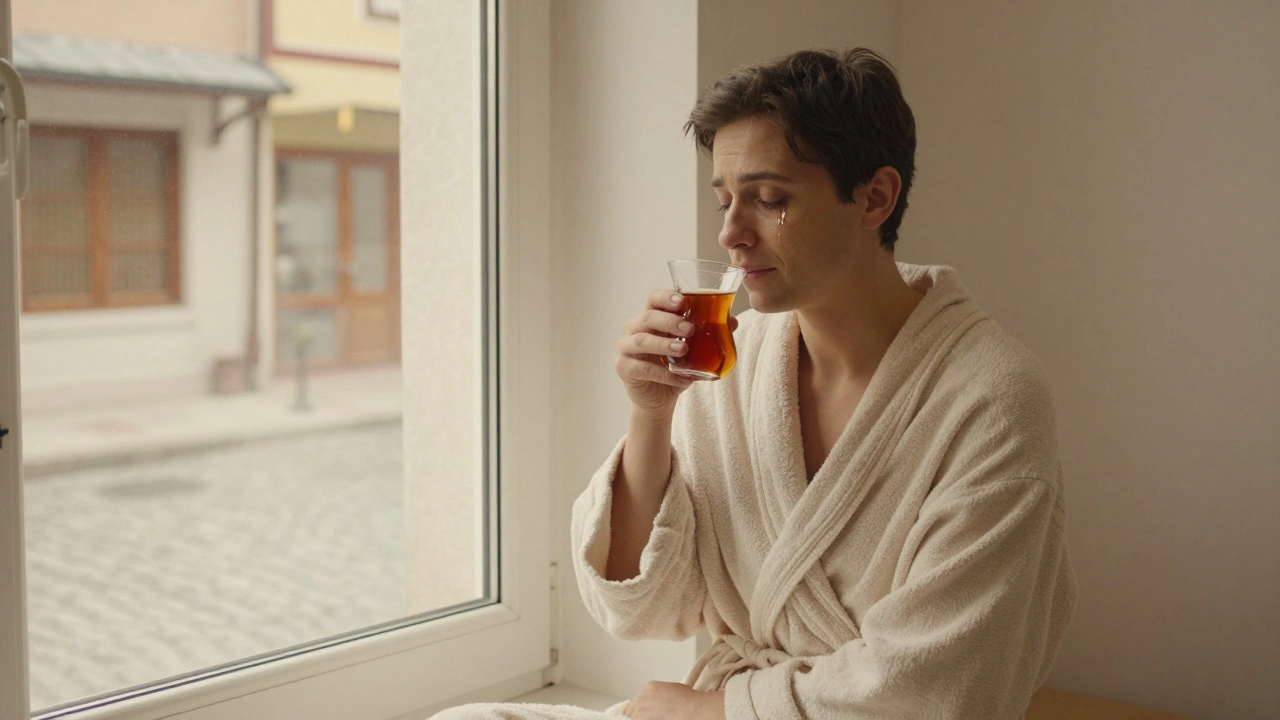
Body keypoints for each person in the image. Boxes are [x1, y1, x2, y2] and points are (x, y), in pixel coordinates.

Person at [436, 47, 1076, 720]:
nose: (731, 234)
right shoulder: (732, 365)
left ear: (875, 197)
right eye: (725, 200)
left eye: (769, 200)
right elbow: (644, 604)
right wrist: (650, 415)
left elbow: (940, 685)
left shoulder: (994, 398)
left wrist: (703, 713)